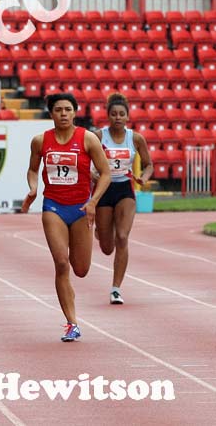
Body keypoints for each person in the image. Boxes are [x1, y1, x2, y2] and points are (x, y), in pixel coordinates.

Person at [21, 93, 110, 342]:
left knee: (80, 269)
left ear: (75, 112)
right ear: (51, 113)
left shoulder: (88, 139)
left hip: (81, 209)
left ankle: (71, 304)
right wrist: (33, 188)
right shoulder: (40, 141)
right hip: (54, 207)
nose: (63, 114)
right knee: (61, 263)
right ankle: (72, 323)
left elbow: (105, 173)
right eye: (58, 109)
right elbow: (32, 169)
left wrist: (93, 201)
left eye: (68, 109)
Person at [93, 93, 153, 305]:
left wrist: (144, 179)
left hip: (125, 189)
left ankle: (116, 289)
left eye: (121, 114)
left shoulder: (135, 138)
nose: (118, 117)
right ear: (108, 116)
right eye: (114, 114)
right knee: (107, 247)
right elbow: (85, 162)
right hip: (103, 189)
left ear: (127, 117)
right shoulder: (99, 136)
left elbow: (148, 164)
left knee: (122, 237)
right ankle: (100, 231)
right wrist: (94, 174)